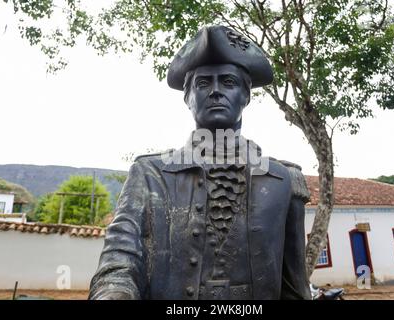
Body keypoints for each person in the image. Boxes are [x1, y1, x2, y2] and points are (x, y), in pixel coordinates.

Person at [88, 25, 311, 300]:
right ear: (187, 98)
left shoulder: (282, 180)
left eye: (228, 82)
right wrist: (115, 294)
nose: (216, 91)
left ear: (246, 95)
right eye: (203, 83)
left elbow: (295, 289)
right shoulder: (151, 175)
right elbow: (120, 258)